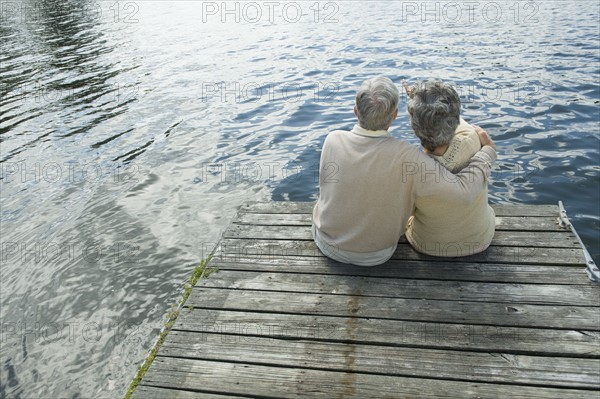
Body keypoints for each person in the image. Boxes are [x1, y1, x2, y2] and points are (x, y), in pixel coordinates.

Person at [312, 76, 496, 266]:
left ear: (355, 112)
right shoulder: (408, 157)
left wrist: (420, 105)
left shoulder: (332, 140)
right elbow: (464, 193)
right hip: (375, 255)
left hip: (326, 244)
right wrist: (488, 152)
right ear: (394, 116)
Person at [403, 80, 495, 257]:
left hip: (427, 245)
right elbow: (452, 117)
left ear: (415, 127)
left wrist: (417, 104)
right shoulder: (473, 139)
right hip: (480, 239)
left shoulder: (412, 170)